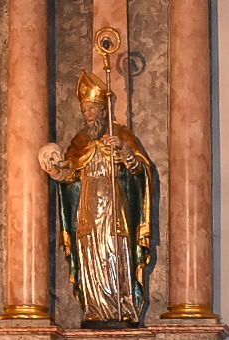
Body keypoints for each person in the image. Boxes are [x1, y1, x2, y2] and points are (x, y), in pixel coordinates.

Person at [40, 71, 158, 326]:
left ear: (104, 110)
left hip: (114, 201)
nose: (88, 115)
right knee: (90, 251)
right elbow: (71, 174)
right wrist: (57, 173)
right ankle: (94, 307)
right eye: (85, 110)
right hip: (88, 203)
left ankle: (122, 305)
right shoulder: (80, 141)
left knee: (115, 248)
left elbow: (140, 170)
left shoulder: (121, 133)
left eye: (92, 109)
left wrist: (124, 150)